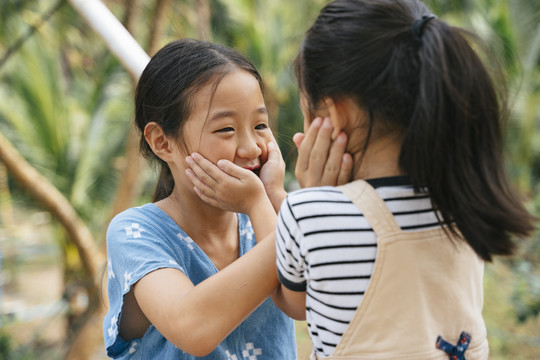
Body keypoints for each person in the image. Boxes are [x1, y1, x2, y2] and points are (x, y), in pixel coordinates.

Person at [269, 0, 537, 359]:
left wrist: (301, 198)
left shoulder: (308, 211)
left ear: (335, 112)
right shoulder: (464, 195)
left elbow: (295, 302)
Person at [103, 38, 352, 359]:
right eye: (226, 129)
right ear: (162, 142)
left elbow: (301, 303)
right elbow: (193, 328)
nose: (250, 147)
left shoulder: (271, 211)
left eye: (260, 124)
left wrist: (272, 198)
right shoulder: (135, 232)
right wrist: (266, 207)